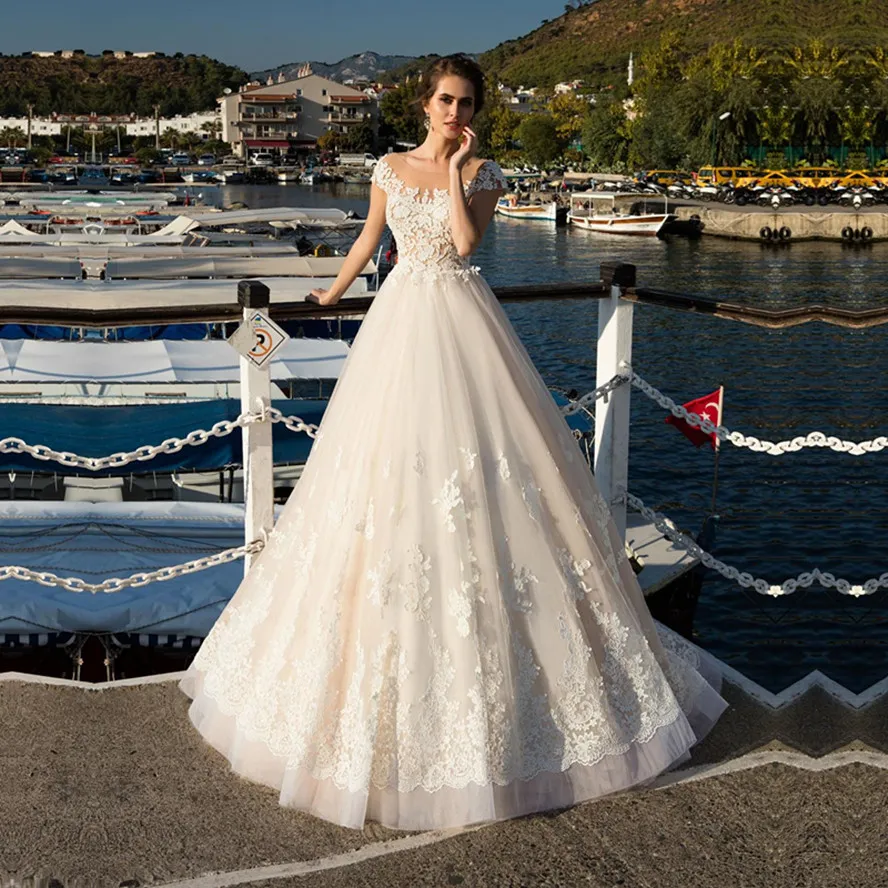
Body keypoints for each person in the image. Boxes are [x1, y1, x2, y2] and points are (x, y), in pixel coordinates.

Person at [179, 54, 727, 832]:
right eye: (444, 100)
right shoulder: (387, 166)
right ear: (424, 100)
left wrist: (464, 172)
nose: (453, 113)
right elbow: (372, 239)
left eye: (466, 103)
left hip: (465, 324)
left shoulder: (487, 171)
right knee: (378, 480)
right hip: (399, 326)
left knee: (491, 478)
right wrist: (328, 296)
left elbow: (467, 247)